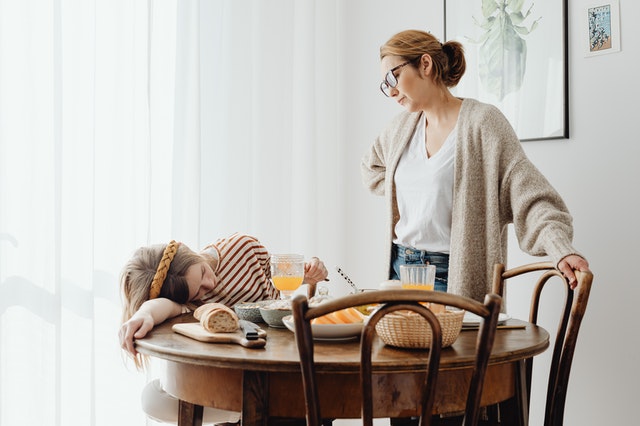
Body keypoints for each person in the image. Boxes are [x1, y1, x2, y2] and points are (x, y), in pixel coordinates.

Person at [361, 29, 591, 304]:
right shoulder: (399, 129)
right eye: (384, 84)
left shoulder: (483, 123)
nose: (391, 91)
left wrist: (560, 248)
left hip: (453, 275)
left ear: (425, 64)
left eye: (393, 77)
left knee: (458, 347)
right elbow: (372, 169)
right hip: (398, 272)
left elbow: (530, 197)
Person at [118, 232, 328, 424]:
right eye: (197, 292)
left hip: (277, 364)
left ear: (188, 250)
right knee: (152, 398)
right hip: (232, 382)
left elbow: (281, 274)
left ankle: (255, 407)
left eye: (202, 273)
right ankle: (253, 408)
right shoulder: (189, 303)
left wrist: (308, 274)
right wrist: (144, 314)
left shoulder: (242, 249)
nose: (209, 285)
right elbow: (164, 306)